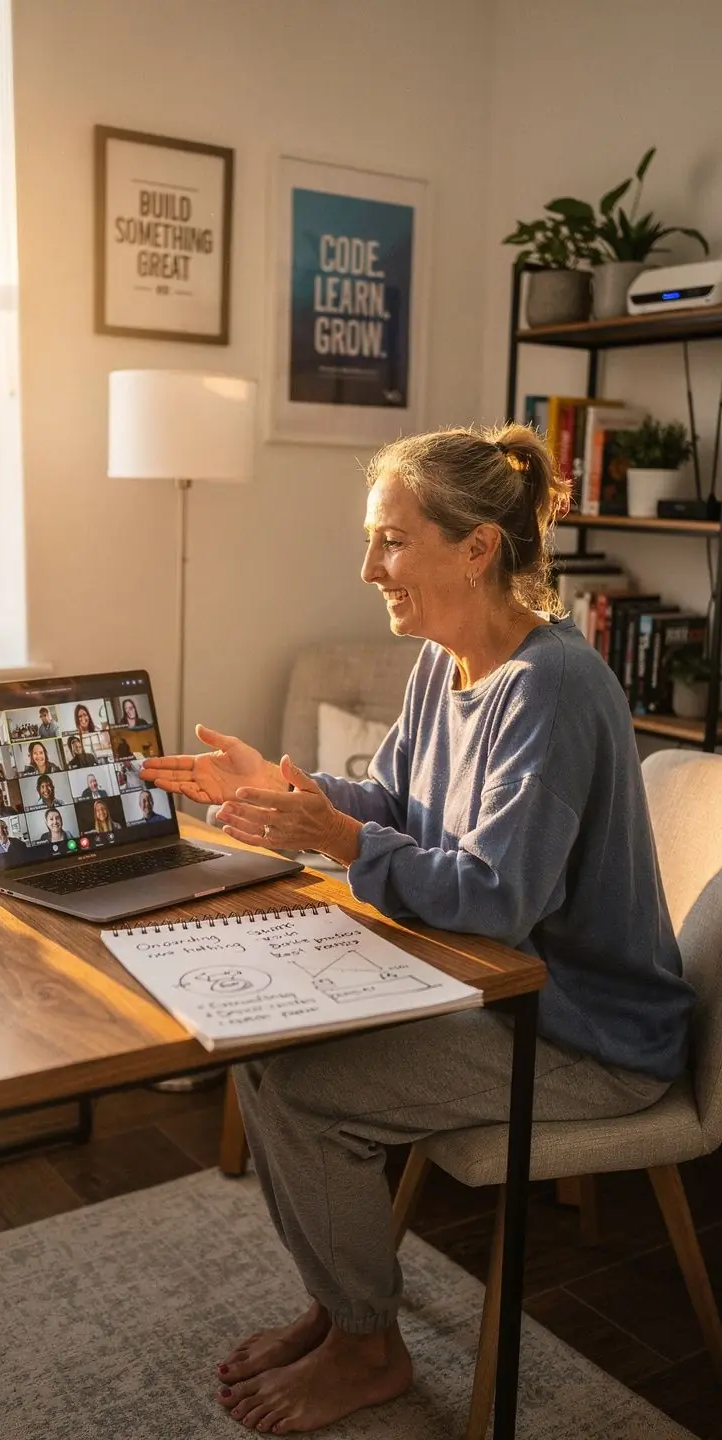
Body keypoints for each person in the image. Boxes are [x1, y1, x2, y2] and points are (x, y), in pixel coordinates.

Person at [140, 423, 696, 1434]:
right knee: (265, 1054)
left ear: (478, 546)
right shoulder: (447, 666)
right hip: (499, 991)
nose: (368, 569)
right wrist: (282, 784)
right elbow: (392, 800)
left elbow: (497, 898)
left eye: (391, 542)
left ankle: (368, 1346)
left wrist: (340, 840)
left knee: (306, 1093)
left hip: (590, 1038)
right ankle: (340, 1304)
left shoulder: (551, 687)